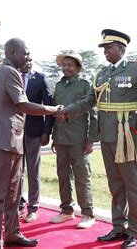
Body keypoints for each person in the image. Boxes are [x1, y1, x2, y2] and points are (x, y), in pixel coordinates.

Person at [58, 29, 137, 248]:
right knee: (115, 183)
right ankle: (119, 226)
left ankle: (135, 230)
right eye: (104, 48)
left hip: (127, 135)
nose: (105, 51)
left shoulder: (136, 70)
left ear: (121, 48)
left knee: (131, 184)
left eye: (109, 48)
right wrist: (66, 110)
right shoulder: (102, 74)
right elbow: (89, 102)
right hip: (107, 136)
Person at [0, 38, 61, 249]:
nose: (28, 58)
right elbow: (23, 104)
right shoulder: (8, 72)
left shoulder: (6, 71)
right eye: (25, 53)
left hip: (11, 139)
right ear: (13, 53)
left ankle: (13, 234)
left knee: (14, 191)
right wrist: (53, 110)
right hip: (1, 140)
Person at [49, 51, 98, 229]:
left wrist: (91, 140)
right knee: (62, 176)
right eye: (64, 64)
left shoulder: (86, 86)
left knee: (82, 177)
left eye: (70, 65)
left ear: (78, 67)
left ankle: (88, 214)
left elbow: (94, 114)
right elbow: (55, 114)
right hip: (61, 138)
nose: (66, 68)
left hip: (79, 139)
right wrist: (54, 137)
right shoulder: (59, 86)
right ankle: (66, 211)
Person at [18, 62, 54, 223]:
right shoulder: (12, 77)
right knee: (16, 171)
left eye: (29, 59)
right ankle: (18, 205)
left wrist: (46, 132)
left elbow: (49, 106)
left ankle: (33, 208)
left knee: (33, 171)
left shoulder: (40, 78)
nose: (27, 62)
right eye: (24, 58)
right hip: (15, 133)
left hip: (34, 132)